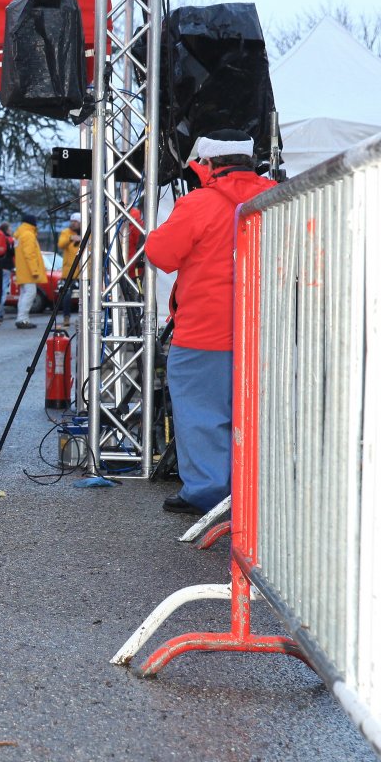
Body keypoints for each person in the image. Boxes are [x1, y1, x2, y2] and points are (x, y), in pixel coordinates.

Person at [145, 128, 275, 515]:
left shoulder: (199, 203)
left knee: (201, 414)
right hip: (264, 330)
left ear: (208, 162)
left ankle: (208, 493)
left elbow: (161, 253)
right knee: (254, 414)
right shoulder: (276, 198)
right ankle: (255, 494)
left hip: (203, 332)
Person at [12, 213, 45, 329]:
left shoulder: (20, 234)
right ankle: (22, 319)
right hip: (28, 271)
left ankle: (21, 318)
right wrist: (34, 270)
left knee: (24, 294)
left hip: (22, 270)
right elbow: (30, 255)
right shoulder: (28, 235)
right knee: (30, 293)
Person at [56, 215, 82, 330]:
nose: (73, 223)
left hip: (84, 271)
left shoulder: (88, 232)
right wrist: (71, 238)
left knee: (89, 295)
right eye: (72, 221)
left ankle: (87, 317)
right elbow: (61, 244)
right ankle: (66, 317)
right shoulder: (66, 233)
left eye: (75, 221)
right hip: (69, 272)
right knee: (66, 294)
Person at [0, 221, 16, 321]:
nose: (11, 230)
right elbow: (13, 252)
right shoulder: (10, 239)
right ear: (7, 230)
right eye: (10, 229)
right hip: (7, 267)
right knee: (3, 291)